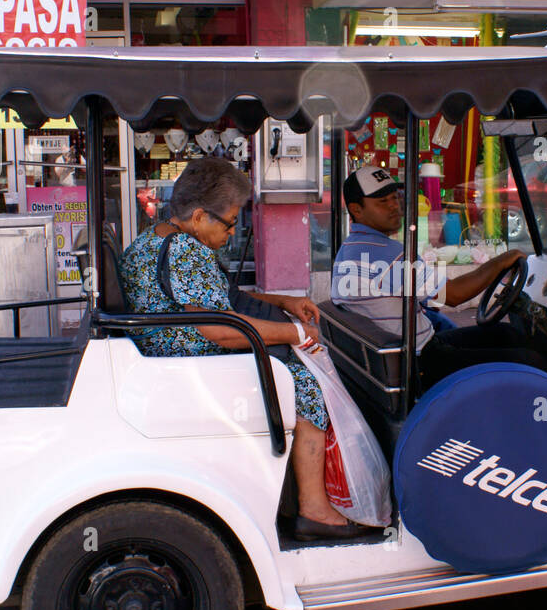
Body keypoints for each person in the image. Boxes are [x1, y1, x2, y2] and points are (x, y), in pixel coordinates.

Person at [118, 157, 370, 542]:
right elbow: (220, 329)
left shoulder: (152, 238)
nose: (233, 232)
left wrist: (283, 303)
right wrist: (294, 333)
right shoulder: (186, 250)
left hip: (168, 358)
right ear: (200, 216)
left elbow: (221, 298)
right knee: (305, 382)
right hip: (194, 366)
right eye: (230, 222)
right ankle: (314, 509)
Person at [331, 165, 547, 444]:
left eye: (395, 198)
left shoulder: (353, 250)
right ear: (356, 209)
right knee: (527, 362)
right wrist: (503, 260)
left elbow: (429, 297)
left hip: (413, 352)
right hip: (421, 365)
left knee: (506, 334)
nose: (395, 206)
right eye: (383, 201)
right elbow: (456, 295)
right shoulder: (385, 254)